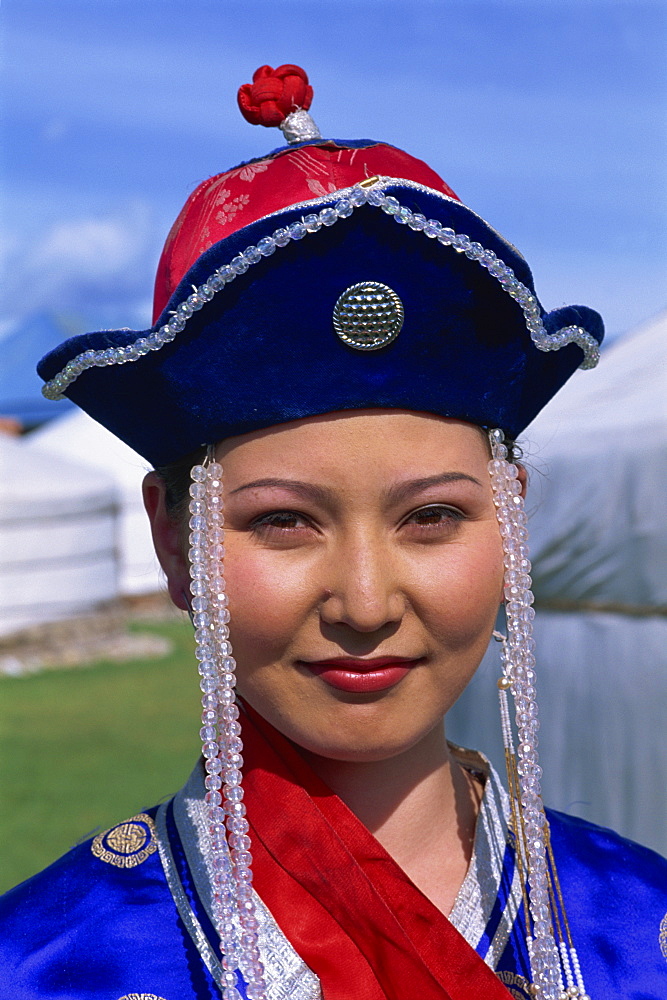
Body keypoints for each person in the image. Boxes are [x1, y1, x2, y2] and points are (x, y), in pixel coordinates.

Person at [1, 64, 666, 1000]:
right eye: (283, 521)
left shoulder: (641, 932)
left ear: (512, 514)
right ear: (173, 541)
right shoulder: (43, 967)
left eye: (432, 517)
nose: (364, 603)